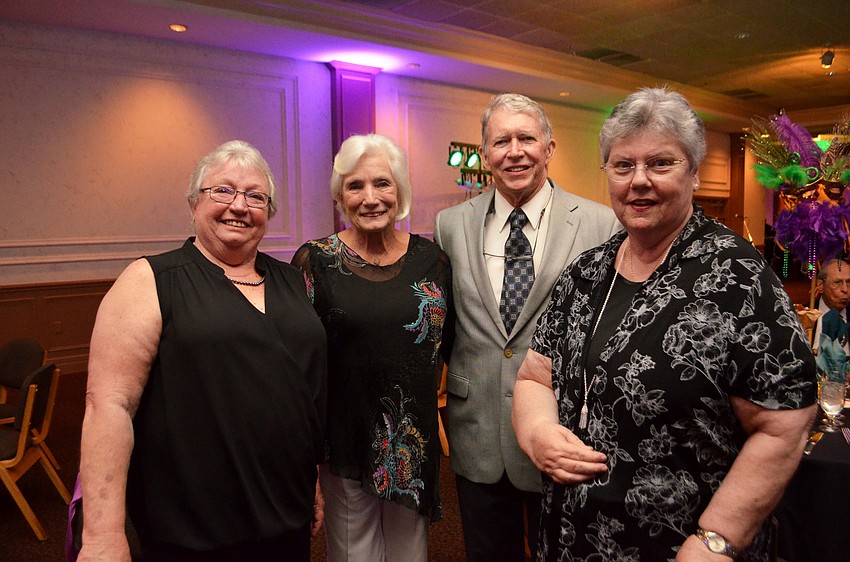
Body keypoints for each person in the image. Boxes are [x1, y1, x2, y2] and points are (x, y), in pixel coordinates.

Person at [513, 86, 818, 561]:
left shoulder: (739, 278)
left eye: (660, 164)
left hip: (682, 545)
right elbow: (535, 375)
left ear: (694, 173)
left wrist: (716, 539)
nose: (639, 181)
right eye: (622, 165)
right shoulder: (586, 272)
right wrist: (537, 433)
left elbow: (784, 425)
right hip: (570, 536)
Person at [79, 140, 327, 561]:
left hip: (285, 510)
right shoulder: (150, 280)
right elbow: (109, 405)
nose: (239, 205)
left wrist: (313, 480)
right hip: (193, 525)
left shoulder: (292, 280)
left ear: (269, 213)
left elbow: (298, 394)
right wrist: (102, 535)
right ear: (194, 203)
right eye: (223, 191)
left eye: (255, 196)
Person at [433, 93, 620, 561]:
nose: (514, 151)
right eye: (501, 141)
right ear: (485, 154)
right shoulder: (450, 224)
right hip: (476, 429)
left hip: (561, 431)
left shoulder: (599, 223)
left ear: (550, 149)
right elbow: (446, 322)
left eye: (526, 139)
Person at [292, 133, 452, 562]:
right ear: (340, 197)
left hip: (412, 440)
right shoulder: (316, 260)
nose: (370, 198)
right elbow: (299, 362)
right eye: (355, 186)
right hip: (344, 438)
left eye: (382, 183)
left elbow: (447, 344)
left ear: (399, 190)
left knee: (410, 553)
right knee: (353, 553)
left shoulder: (432, 260)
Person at [812, 258, 850, 353]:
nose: (845, 289)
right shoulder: (804, 315)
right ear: (820, 285)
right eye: (837, 283)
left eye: (849, 282)